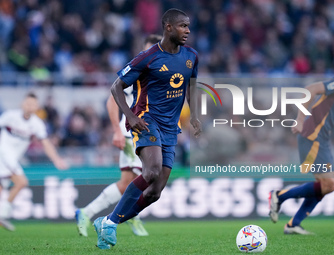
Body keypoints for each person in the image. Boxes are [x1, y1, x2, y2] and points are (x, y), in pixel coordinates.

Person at [93, 8, 201, 249]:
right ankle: (110, 225)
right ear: (168, 27)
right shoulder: (148, 56)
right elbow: (116, 87)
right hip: (146, 119)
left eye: (188, 26)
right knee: (150, 172)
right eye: (183, 25)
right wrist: (130, 116)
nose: (188, 30)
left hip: (170, 128)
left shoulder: (191, 56)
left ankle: (109, 221)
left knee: (155, 192)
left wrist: (194, 115)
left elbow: (191, 86)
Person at [75, 34, 162, 237]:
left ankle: (86, 213)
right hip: (134, 134)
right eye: (150, 49)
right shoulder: (138, 71)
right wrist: (116, 130)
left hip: (146, 133)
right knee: (146, 177)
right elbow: (112, 101)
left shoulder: (157, 75)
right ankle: (130, 218)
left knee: (127, 182)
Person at [269, 78, 334, 234]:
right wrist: (300, 120)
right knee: (329, 184)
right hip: (313, 134)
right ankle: (279, 196)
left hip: (322, 137)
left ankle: (293, 224)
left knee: (325, 185)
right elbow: (310, 89)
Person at [0, 93, 68, 231]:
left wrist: (56, 159)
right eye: (28, 103)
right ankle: (2, 214)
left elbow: (45, 143)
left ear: (37, 107)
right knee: (22, 182)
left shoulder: (36, 124)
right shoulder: (10, 116)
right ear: (22, 104)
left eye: (33, 104)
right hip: (3, 154)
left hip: (13, 158)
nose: (30, 106)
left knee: (2, 188)